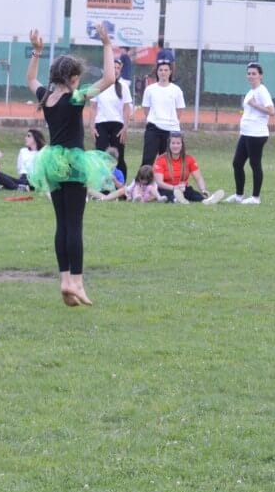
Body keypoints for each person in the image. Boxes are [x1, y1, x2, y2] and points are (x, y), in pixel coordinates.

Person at [25, 23, 119, 306]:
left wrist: (37, 51)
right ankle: (76, 283)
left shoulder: (46, 97)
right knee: (75, 224)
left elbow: (30, 79)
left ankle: (65, 279)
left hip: (52, 163)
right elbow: (109, 79)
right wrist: (106, 45)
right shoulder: (76, 97)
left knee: (62, 223)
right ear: (73, 78)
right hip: (75, 164)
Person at [228, 61, 274, 204]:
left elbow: (271, 111)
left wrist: (254, 104)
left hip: (257, 134)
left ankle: (255, 197)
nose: (251, 76)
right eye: (249, 73)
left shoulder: (262, 90)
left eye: (254, 73)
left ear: (260, 75)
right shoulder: (251, 92)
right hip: (246, 133)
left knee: (255, 164)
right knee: (237, 163)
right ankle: (239, 195)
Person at [138, 58, 185, 167]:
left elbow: (179, 110)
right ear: (157, 72)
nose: (163, 72)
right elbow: (146, 108)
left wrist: (171, 123)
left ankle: (166, 179)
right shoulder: (150, 89)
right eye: (161, 70)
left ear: (170, 72)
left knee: (168, 162)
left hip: (171, 130)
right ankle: (144, 178)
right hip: (153, 128)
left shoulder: (176, 90)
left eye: (166, 70)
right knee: (147, 160)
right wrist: (155, 120)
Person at [92, 56, 133, 179]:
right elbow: (93, 107)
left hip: (118, 125)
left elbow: (126, 108)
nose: (115, 70)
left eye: (118, 68)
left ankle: (121, 185)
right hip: (101, 124)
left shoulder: (123, 86)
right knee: (101, 155)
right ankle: (101, 183)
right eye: (113, 67)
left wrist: (125, 127)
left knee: (119, 156)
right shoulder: (98, 85)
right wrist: (91, 127)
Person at [155, 132, 223, 204]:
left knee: (192, 193)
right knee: (170, 194)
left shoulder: (189, 159)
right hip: (167, 188)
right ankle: (177, 200)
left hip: (183, 188)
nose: (175, 146)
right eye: (173, 143)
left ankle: (206, 200)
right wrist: (174, 187)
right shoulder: (161, 160)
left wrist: (203, 190)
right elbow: (159, 183)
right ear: (169, 145)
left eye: (178, 143)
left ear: (182, 145)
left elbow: (198, 178)